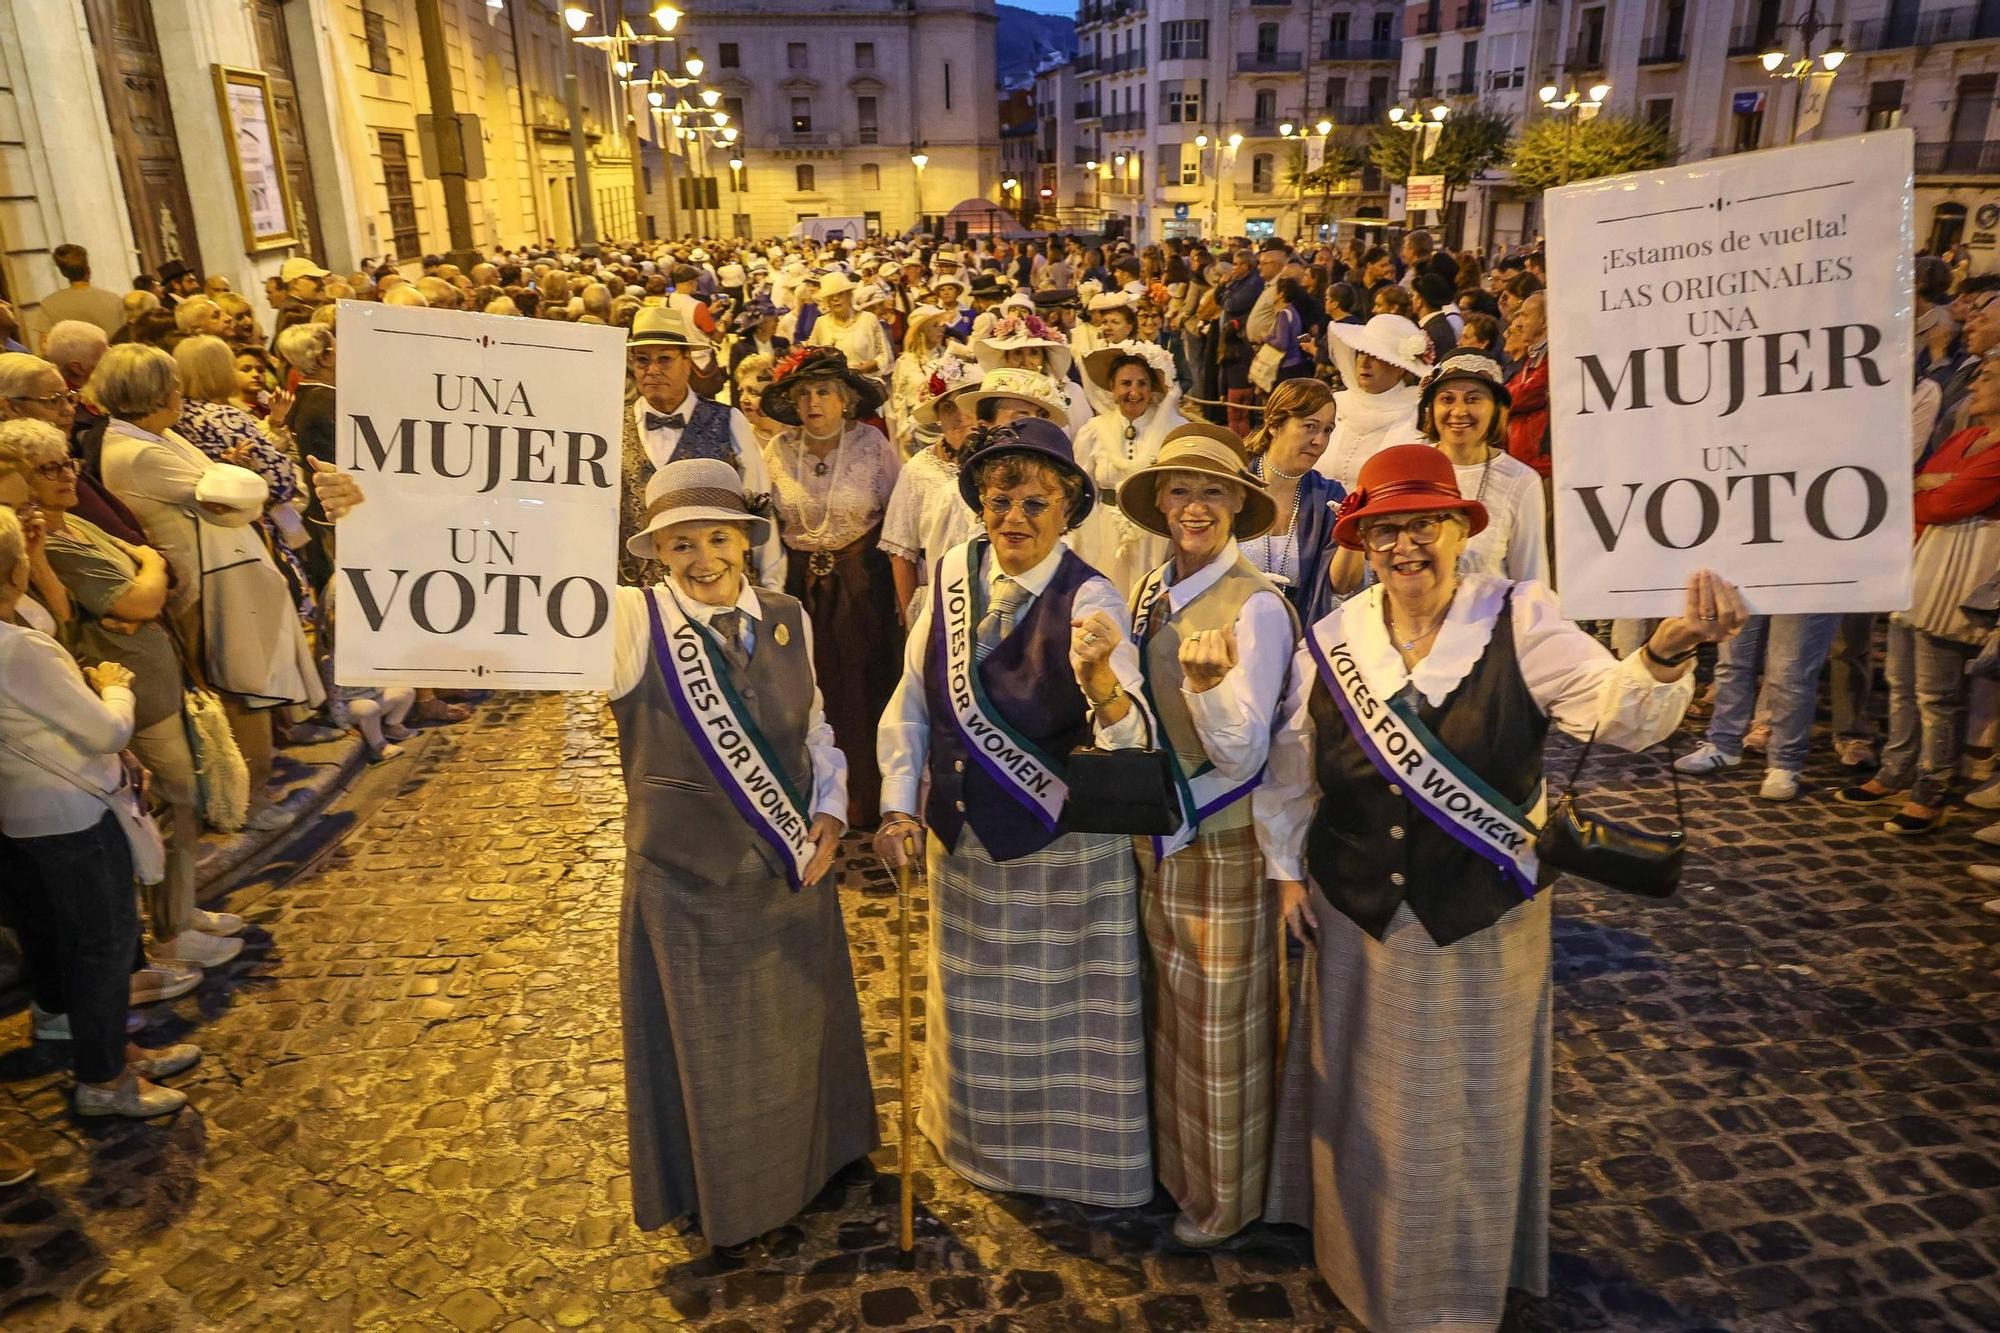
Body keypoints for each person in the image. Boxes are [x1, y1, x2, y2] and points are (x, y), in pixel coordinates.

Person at [1259, 444, 1746, 1331]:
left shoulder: (1521, 614)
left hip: (1482, 909)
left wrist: (1669, 651)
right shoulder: (1333, 638)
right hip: (1356, 901)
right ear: (1365, 542)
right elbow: (1294, 766)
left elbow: (1617, 713)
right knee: (1360, 1095)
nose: (1407, 546)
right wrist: (1286, 873)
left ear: (1459, 529)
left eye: (1425, 525)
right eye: (1388, 530)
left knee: (1460, 1105)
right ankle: (1352, 1253)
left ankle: (1444, 1287)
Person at [873, 418, 1154, 1208]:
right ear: (980, 503)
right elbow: (912, 702)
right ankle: (975, 1142)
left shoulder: (1091, 593)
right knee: (975, 1013)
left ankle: (1072, 1163)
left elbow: (1128, 735)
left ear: (1068, 511)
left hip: (1058, 846)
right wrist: (898, 806)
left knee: (1060, 1021)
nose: (1015, 517)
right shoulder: (951, 577)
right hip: (965, 842)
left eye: (1037, 501)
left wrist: (1101, 678)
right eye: (1001, 498)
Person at [612, 457, 877, 1246]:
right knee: (715, 1057)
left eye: (717, 538)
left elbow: (817, 728)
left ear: (744, 540)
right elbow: (507, 612)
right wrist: (367, 518)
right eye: (681, 544)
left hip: (792, 871)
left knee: (800, 1038)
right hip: (688, 884)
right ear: (656, 554)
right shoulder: (629, 623)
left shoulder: (786, 612)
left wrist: (831, 809)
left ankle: (819, 1161)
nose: (702, 560)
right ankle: (735, 1197)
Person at [1114, 423, 1297, 1247]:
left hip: (1223, 838)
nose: (1194, 506)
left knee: (1220, 1031)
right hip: (1162, 836)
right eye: (1180, 491)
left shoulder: (1258, 603)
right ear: (1158, 502)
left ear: (1238, 506)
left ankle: (1226, 1198)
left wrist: (1208, 689)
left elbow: (1246, 748)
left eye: (1213, 493)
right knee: (1173, 1020)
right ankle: (1180, 1170)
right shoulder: (1156, 585)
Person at [0, 419, 246, 969]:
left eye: (68, 463)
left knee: (185, 803)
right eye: (48, 469)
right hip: (127, 691)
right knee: (175, 802)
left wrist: (148, 571)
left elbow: (151, 566)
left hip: (154, 673)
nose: (67, 476)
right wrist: (143, 581)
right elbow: (133, 602)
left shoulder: (77, 528)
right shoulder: (50, 547)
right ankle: (171, 928)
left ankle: (181, 911)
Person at [0, 505, 203, 1119]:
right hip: (73, 813)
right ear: (11, 572)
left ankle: (110, 1047)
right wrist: (115, 682)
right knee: (104, 946)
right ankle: (104, 1079)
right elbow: (108, 731)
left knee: (70, 938)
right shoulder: (18, 651)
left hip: (29, 811)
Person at [92, 344, 324, 833]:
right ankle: (248, 802)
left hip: (232, 570)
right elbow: (242, 495)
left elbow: (232, 492)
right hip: (211, 583)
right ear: (155, 392)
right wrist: (235, 483)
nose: (181, 392)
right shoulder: (135, 451)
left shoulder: (160, 437)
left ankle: (252, 793)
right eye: (173, 385)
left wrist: (231, 483)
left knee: (254, 685)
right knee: (245, 689)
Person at [1838, 356, 2000, 833]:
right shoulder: (1967, 437)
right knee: (1903, 681)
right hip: (1928, 559)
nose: (1979, 383)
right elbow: (1922, 485)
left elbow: (1946, 500)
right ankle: (1896, 769)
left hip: (1962, 570)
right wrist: (1933, 487)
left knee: (1937, 690)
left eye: (1989, 377)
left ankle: (1931, 789)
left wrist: (1934, 488)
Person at [759, 346, 903, 830]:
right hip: (797, 586)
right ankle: (806, 800)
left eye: (823, 392)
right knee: (802, 690)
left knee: (862, 688)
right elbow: (767, 523)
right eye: (803, 394)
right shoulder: (777, 451)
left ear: (846, 399)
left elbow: (897, 522)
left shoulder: (874, 447)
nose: (812, 403)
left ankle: (865, 800)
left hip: (863, 586)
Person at [619, 308, 783, 588]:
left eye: (664, 359)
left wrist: (770, 589)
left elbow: (760, 508)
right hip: (638, 597)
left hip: (718, 589)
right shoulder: (612, 426)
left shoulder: (728, 420)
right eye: (642, 360)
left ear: (688, 361)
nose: (653, 370)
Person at [1417, 353, 1547, 583]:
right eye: (1447, 399)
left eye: (1473, 399)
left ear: (1496, 410)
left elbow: (1531, 581)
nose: (1458, 412)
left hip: (1489, 617)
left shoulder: (1521, 480)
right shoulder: (1412, 467)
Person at [1072, 342, 1188, 596]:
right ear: (1112, 388)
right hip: (1105, 530)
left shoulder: (1173, 429)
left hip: (1154, 532)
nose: (1133, 392)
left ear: (1152, 388)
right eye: (1126, 384)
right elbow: (1082, 489)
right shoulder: (1093, 431)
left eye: (1142, 384)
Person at [880, 361, 979, 624]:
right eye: (948, 407)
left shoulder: (1001, 463)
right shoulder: (918, 471)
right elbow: (902, 554)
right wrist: (912, 621)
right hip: (937, 601)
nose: (960, 415)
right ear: (938, 416)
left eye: (966, 402)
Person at [1241, 376, 1344, 623]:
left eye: (1327, 430)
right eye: (1310, 426)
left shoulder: (1329, 498)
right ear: (1275, 424)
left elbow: (1339, 585)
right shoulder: (1233, 484)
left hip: (1298, 639)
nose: (1319, 441)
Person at [1316, 314, 1429, 488]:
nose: (1364, 363)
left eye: (1375, 355)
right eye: (1361, 353)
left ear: (1400, 367)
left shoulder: (1417, 413)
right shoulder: (1334, 405)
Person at [801, 271, 892, 381]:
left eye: (840, 294)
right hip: (833, 387)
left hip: (865, 383)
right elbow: (812, 355)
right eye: (830, 296)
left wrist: (867, 367)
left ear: (849, 295)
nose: (835, 299)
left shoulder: (868, 319)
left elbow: (885, 356)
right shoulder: (821, 323)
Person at [888, 303, 952, 452]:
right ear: (921, 331)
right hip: (916, 432)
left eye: (942, 325)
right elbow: (898, 399)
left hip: (944, 428)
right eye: (935, 325)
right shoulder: (905, 361)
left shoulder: (947, 357)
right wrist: (904, 430)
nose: (941, 329)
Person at [33, 244, 125, 344]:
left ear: (63, 273)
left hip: (71, 359)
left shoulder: (49, 304)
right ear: (88, 269)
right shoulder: (114, 300)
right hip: (111, 357)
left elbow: (45, 345)